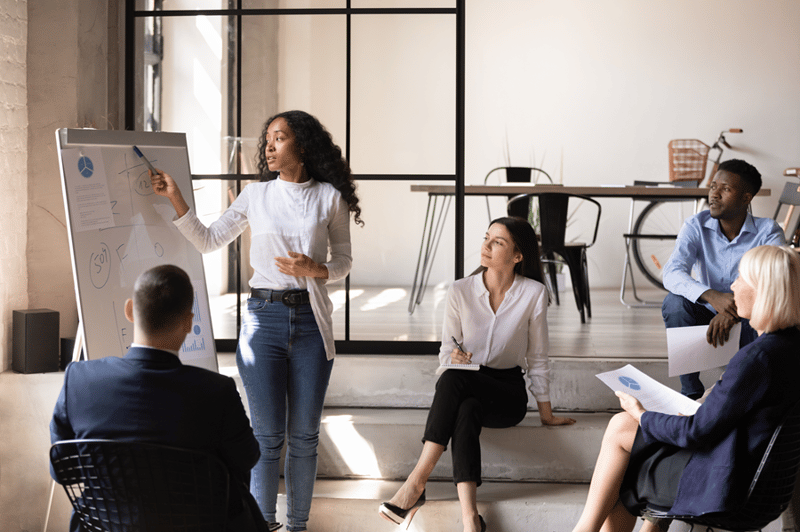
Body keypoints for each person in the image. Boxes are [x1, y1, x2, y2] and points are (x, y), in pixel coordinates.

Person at [150, 110, 361, 532]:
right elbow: (209, 240)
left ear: (301, 145)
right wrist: (176, 196)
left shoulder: (329, 198)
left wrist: (316, 269)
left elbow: (344, 261)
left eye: (279, 138)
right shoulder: (256, 195)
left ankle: (297, 526)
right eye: (267, 138)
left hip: (311, 324)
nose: (268, 146)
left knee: (303, 437)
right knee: (266, 439)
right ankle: (262, 526)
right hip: (263, 320)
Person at [572, 245, 800, 532]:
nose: (732, 285)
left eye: (741, 278)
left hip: (727, 485)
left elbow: (697, 432)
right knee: (632, 449)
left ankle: (583, 529)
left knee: (624, 439)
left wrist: (641, 413)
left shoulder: (757, 358)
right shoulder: (788, 348)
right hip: (763, 482)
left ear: (763, 291)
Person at [378, 217, 576, 532]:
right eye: (486, 238)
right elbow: (446, 352)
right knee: (464, 401)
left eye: (497, 242)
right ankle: (471, 519)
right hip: (466, 382)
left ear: (518, 255)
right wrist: (453, 357)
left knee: (455, 380)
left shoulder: (533, 293)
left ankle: (416, 483)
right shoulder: (460, 291)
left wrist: (546, 414)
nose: (485, 246)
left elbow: (537, 357)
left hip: (507, 393)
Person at [50, 265, 265, 532]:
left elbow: (62, 471)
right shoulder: (215, 391)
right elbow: (247, 458)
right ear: (189, 322)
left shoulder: (80, 380)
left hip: (106, 527)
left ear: (130, 310)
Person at [661, 159, 784, 399]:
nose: (714, 195)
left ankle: (744, 391)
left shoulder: (768, 231)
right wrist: (712, 296)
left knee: (770, 313)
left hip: (749, 319)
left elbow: (774, 282)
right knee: (674, 304)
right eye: (713, 186)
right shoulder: (696, 225)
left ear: (746, 198)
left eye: (725, 189)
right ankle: (690, 393)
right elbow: (672, 271)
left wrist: (732, 309)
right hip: (707, 314)